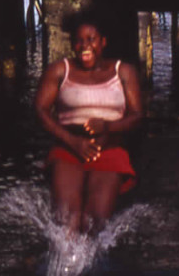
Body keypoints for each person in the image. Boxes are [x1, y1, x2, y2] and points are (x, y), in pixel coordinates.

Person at [34, 13, 143, 234]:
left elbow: (137, 115)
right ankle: (61, 266)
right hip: (68, 149)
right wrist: (74, 142)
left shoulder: (123, 72)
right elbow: (40, 110)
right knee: (68, 223)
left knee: (94, 224)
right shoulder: (59, 70)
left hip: (110, 149)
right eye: (79, 40)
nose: (85, 46)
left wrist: (107, 127)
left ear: (103, 42)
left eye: (91, 39)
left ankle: (95, 267)